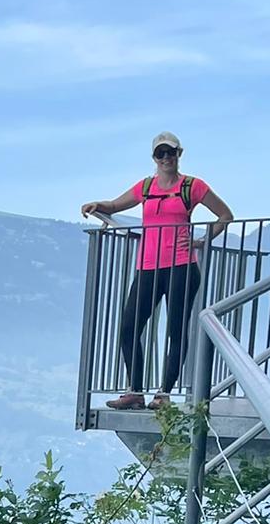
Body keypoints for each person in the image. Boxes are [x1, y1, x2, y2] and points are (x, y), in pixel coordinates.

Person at [82, 133, 233, 411]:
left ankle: (163, 394)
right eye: (160, 153)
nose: (166, 158)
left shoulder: (192, 186)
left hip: (182, 266)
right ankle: (135, 392)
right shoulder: (146, 187)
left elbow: (225, 215)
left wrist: (202, 240)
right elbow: (116, 205)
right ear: (154, 157)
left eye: (170, 152)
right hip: (148, 266)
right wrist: (97, 205)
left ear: (179, 153)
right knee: (129, 327)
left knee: (175, 330)